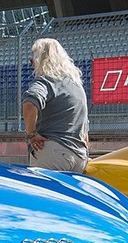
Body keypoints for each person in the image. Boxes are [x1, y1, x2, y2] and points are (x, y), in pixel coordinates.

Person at [21, 37, 90, 173]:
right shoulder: (76, 85)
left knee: (41, 193)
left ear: (40, 59)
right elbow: (85, 130)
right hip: (79, 156)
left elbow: (29, 104)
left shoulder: (46, 82)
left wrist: (32, 135)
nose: (32, 63)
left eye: (33, 59)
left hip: (53, 153)